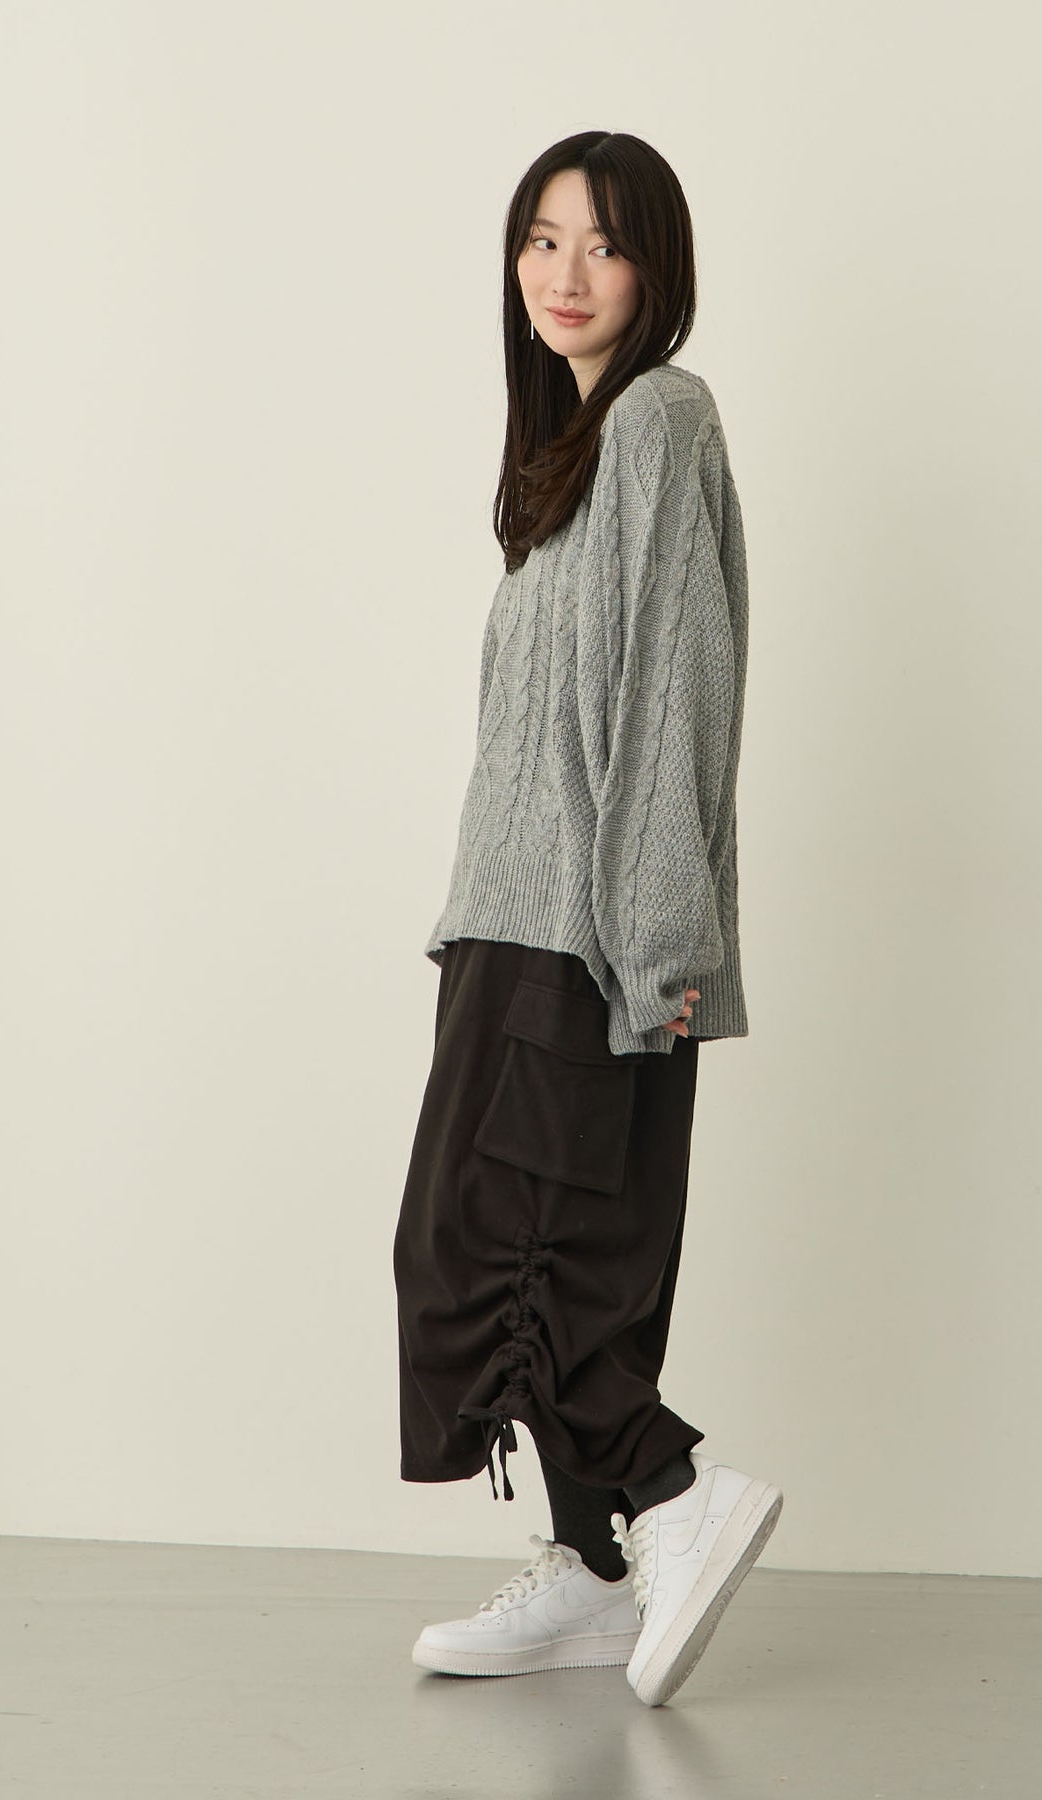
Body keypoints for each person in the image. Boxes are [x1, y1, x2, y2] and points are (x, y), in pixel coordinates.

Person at [393, 129, 782, 1708]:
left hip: (591, 931)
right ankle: (597, 1571)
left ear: (655, 270)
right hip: (507, 917)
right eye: (541, 238)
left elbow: (677, 689)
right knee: (507, 1247)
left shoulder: (661, 420)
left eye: (604, 245)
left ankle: (675, 1493)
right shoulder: (566, 452)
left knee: (511, 1258)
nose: (565, 273)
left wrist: (663, 945)